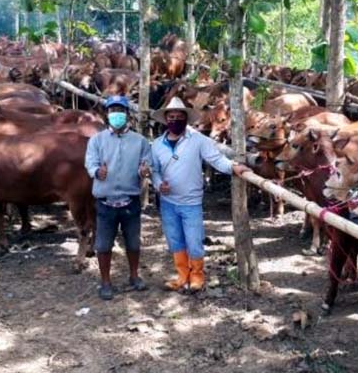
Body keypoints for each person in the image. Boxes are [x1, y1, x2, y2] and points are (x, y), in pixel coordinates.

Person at [150, 97, 251, 292]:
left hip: (191, 201)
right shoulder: (156, 145)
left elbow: (216, 160)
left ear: (186, 119)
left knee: (194, 241)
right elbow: (154, 170)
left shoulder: (198, 140)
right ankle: (182, 275)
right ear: (166, 119)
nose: (175, 120)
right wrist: (157, 184)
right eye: (171, 116)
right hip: (168, 201)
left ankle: (197, 275)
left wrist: (233, 167)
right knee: (175, 240)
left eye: (179, 117)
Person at [84, 95, 151, 300]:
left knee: (133, 242)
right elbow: (90, 163)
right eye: (113, 111)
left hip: (130, 200)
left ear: (127, 114)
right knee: (103, 245)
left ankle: (134, 276)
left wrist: (144, 171)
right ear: (107, 114)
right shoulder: (97, 140)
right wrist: (97, 172)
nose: (117, 115)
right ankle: (105, 282)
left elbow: (146, 164)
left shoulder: (140, 141)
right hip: (105, 201)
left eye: (120, 111)